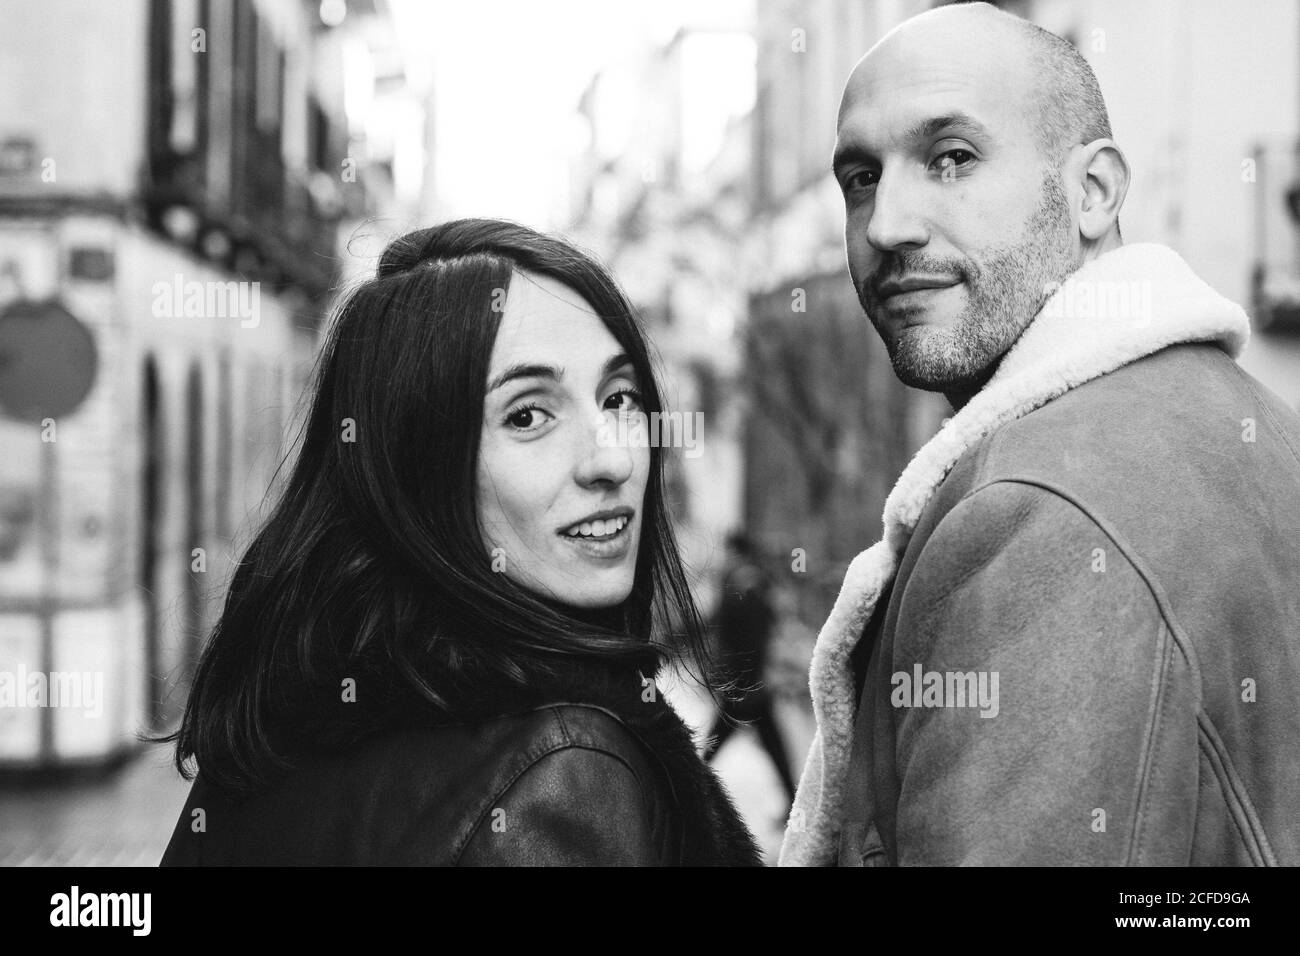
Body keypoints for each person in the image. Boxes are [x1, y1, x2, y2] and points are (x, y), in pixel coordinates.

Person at [781, 2, 1300, 867]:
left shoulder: (1037, 512)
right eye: (862, 177)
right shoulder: (1245, 422)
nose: (886, 226)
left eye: (951, 158)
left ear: (1093, 191)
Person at [159, 219, 761, 866]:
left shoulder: (276, 723)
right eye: (528, 415)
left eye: (619, 397)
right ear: (418, 470)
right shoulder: (564, 771)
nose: (611, 459)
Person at [701, 532, 797, 805]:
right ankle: (793, 802)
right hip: (750, 686)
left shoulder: (747, 588)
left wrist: (746, 680)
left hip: (745, 686)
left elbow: (752, 640)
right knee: (772, 746)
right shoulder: (744, 585)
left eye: (729, 552)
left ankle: (688, 793)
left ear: (738, 553)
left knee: (716, 743)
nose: (725, 558)